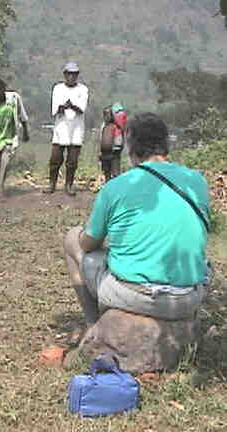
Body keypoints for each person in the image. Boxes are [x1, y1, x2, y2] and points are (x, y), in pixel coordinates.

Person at [63, 113, 211, 336]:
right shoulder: (196, 181)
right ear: (165, 145)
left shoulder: (116, 187)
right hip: (187, 297)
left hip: (134, 296)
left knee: (72, 238)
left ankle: (93, 325)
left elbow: (87, 244)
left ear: (131, 149)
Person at [45, 61, 89, 196]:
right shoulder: (58, 88)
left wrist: (72, 105)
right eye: (69, 74)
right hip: (61, 127)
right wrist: (64, 106)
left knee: (72, 160)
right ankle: (52, 184)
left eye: (74, 74)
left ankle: (68, 185)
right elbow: (55, 109)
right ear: (65, 74)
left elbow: (82, 109)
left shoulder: (83, 89)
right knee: (55, 158)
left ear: (77, 75)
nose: (71, 77)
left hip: (76, 129)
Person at [98, 104, 126, 182]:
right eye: (105, 115)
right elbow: (101, 139)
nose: (106, 117)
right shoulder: (104, 126)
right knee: (106, 171)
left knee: (115, 171)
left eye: (108, 114)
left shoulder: (116, 127)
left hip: (114, 153)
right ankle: (108, 185)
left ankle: (116, 187)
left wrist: (117, 148)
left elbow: (119, 140)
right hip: (104, 152)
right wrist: (99, 151)